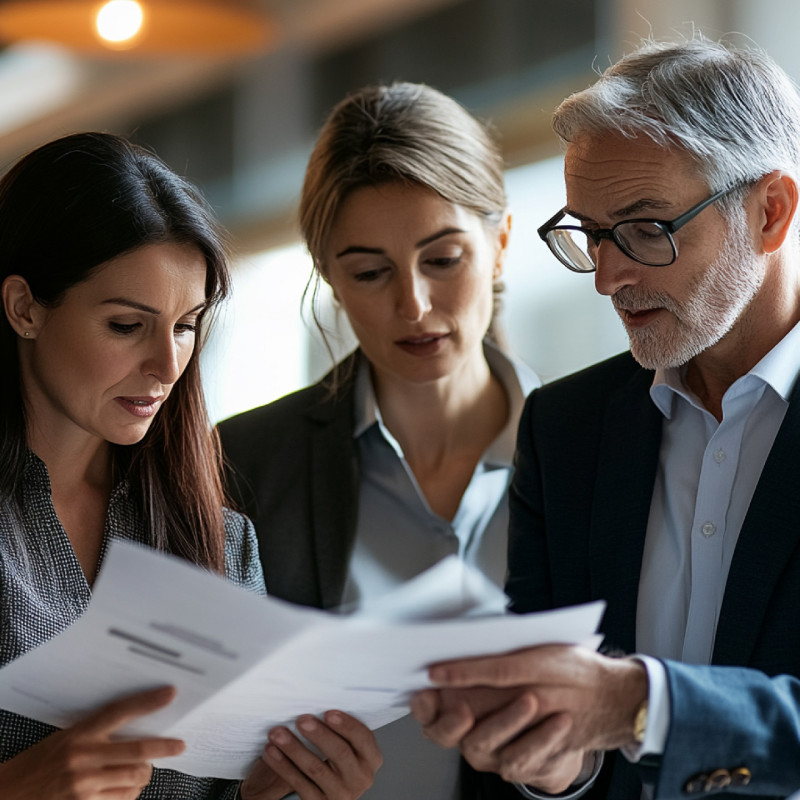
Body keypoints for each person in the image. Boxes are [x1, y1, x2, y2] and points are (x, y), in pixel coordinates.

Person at [410, 36, 800, 800]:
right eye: (589, 234)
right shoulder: (565, 428)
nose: (609, 277)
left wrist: (638, 704)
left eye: (647, 228)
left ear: (771, 212)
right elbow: (564, 744)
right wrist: (550, 761)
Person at [0, 131, 381, 800]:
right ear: (24, 307)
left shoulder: (224, 544)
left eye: (186, 325)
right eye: (126, 325)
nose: (167, 365)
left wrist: (279, 789)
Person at [218, 82, 540, 799]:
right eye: (369, 272)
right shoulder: (242, 463)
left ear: (501, 243)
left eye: (444, 259)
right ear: (329, 278)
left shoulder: (594, 451)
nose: (414, 305)